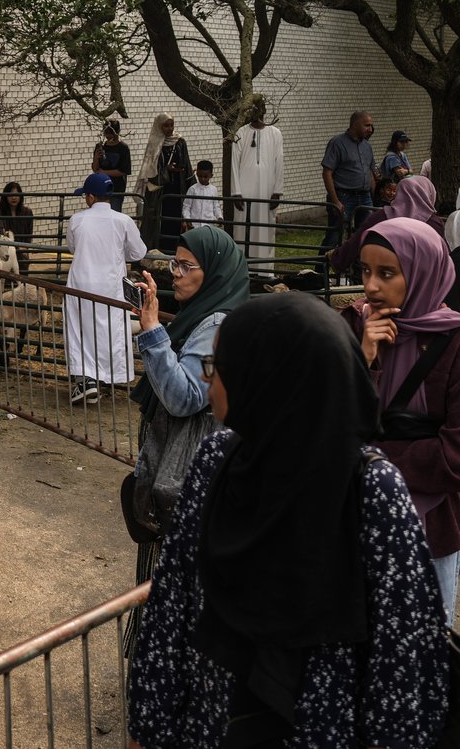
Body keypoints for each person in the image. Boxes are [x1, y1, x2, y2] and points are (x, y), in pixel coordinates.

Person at [127, 293, 449, 748]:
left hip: (319, 727)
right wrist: (148, 724)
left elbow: (403, 659)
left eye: (219, 366)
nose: (209, 379)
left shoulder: (371, 490)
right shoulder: (219, 460)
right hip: (211, 724)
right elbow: (173, 600)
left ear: (268, 380)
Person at [123, 226, 248, 641]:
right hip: (186, 478)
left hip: (186, 479)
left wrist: (154, 331)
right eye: (173, 264)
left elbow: (185, 397)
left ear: (212, 271)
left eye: (184, 265)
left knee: (175, 590)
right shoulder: (207, 314)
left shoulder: (216, 326)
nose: (174, 273)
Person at [343, 216, 460, 625]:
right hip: (353, 521)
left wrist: (372, 460)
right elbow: (329, 420)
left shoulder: (454, 345)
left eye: (387, 273)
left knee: (421, 651)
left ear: (423, 271)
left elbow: (453, 456)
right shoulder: (353, 325)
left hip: (430, 527)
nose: (371, 286)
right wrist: (363, 361)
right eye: (365, 271)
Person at [65, 173, 147, 404]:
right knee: (110, 329)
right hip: (111, 284)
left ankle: (86, 381)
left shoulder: (77, 219)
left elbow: (74, 248)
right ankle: (104, 377)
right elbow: (138, 252)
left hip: (80, 282)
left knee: (80, 330)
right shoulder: (123, 221)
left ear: (91, 197)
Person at [328, 174, 445, 275]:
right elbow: (444, 258)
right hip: (425, 283)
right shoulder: (434, 223)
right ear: (429, 194)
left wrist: (337, 258)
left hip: (386, 281)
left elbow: (356, 241)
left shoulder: (381, 217)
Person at [229, 107, 285, 275]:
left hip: (268, 189)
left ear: (263, 111)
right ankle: (242, 269)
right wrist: (236, 192)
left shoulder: (275, 133)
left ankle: (265, 271)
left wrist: (277, 191)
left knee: (265, 228)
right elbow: (234, 163)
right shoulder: (240, 132)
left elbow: (279, 162)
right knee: (243, 228)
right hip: (244, 189)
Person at [321, 110, 377, 251]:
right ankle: (321, 270)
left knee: (364, 235)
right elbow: (327, 172)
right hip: (343, 196)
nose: (370, 129)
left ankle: (357, 270)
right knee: (335, 235)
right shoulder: (337, 143)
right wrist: (335, 201)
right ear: (355, 124)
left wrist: (373, 196)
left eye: (371, 125)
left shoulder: (367, 146)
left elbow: (370, 172)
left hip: (364, 196)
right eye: (367, 125)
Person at [134, 114, 191, 252]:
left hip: (177, 187)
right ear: (159, 126)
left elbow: (187, 165)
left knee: (175, 220)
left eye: (171, 125)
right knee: (158, 221)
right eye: (166, 125)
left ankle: (174, 250)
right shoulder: (154, 144)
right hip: (160, 191)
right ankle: (158, 250)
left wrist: (190, 186)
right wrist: (167, 169)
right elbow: (150, 171)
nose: (170, 128)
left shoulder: (180, 142)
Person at [0, 181, 34, 274]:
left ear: (20, 196)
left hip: (22, 251)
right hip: (6, 249)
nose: (14, 198)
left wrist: (26, 248)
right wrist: (17, 246)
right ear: (5, 196)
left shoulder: (27, 212)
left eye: (16, 195)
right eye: (10, 195)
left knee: (21, 278)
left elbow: (29, 234)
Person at [91, 119, 133, 212]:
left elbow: (123, 171)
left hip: (116, 189)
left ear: (117, 132)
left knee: (114, 212)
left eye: (111, 133)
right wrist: (96, 158)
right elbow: (95, 168)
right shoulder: (100, 146)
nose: (108, 136)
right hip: (100, 188)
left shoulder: (123, 148)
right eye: (106, 133)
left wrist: (104, 172)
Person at [180, 160, 222, 230]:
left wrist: (219, 217)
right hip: (194, 225)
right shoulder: (192, 189)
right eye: (200, 176)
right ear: (197, 174)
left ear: (211, 176)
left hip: (208, 225)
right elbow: (186, 207)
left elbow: (216, 206)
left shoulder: (213, 189)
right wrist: (188, 219)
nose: (202, 179)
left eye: (205, 177)